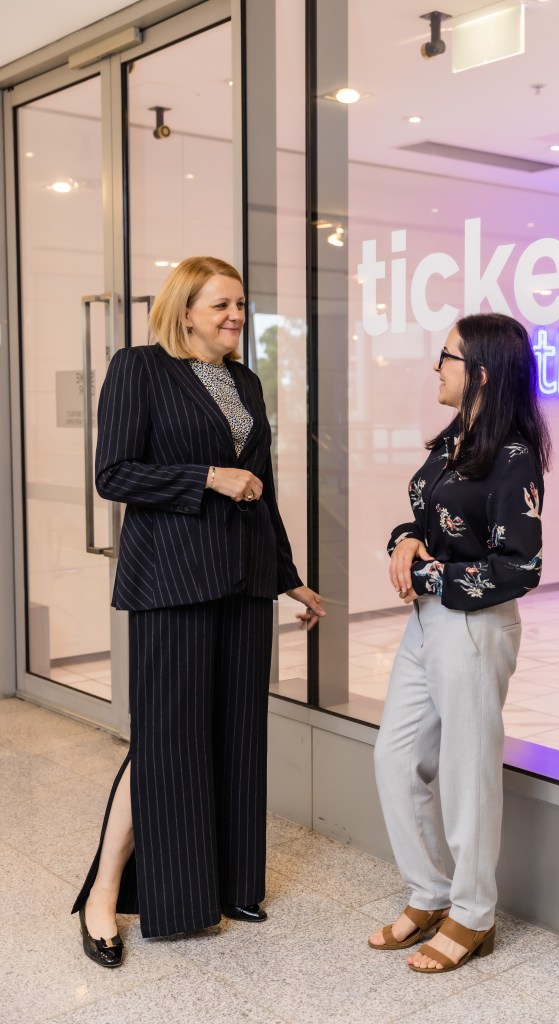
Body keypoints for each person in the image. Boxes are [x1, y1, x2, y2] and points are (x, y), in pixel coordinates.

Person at [72, 256, 324, 967]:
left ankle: (229, 886)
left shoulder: (245, 382)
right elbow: (113, 474)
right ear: (185, 310)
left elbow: (261, 490)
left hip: (243, 582)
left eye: (240, 304)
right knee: (166, 738)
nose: (236, 316)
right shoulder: (139, 368)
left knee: (235, 733)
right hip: (172, 580)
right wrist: (207, 478)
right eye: (221, 305)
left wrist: (289, 579)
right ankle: (104, 895)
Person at [368, 312, 550, 974]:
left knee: (467, 774)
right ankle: (430, 894)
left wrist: (426, 574)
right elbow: (425, 518)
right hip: (426, 622)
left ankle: (473, 915)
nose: (435, 367)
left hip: (473, 627)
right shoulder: (454, 440)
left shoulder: (513, 458)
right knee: (394, 758)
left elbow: (520, 568)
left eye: (445, 356)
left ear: (480, 373)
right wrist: (405, 540)